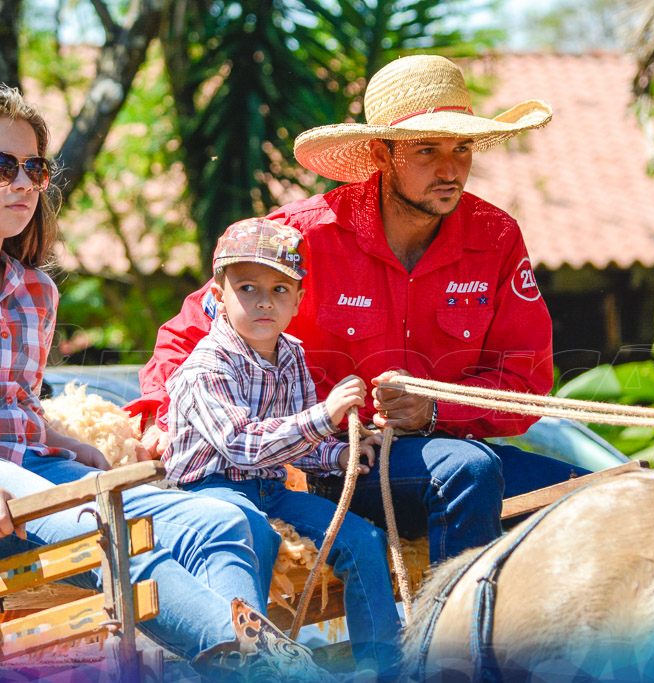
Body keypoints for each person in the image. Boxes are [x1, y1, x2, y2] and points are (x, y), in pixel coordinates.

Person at [0, 85, 320, 680]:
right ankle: (278, 669)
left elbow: (13, 405)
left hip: (26, 469)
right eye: (0, 166)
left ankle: (236, 668)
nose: (22, 183)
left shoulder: (34, 292)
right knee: (107, 526)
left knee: (220, 520)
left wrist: (68, 444)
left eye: (35, 168)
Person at [128, 55, 587, 564]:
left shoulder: (496, 237)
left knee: (599, 497)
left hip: (446, 456)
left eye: (463, 149)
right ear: (380, 153)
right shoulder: (305, 236)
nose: (450, 169)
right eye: (427, 150)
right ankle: (452, 641)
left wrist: (435, 410)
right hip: (332, 462)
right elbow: (185, 334)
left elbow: (524, 380)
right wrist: (162, 418)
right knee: (470, 469)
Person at [163, 217, 402, 677]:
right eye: (247, 288)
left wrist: (344, 454)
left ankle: (385, 666)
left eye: (279, 290)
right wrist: (324, 415)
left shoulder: (291, 353)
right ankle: (256, 666)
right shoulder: (203, 368)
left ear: (298, 300)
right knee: (249, 531)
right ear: (218, 296)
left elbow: (299, 449)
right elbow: (242, 445)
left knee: (364, 539)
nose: (263, 302)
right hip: (211, 494)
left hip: (270, 489)